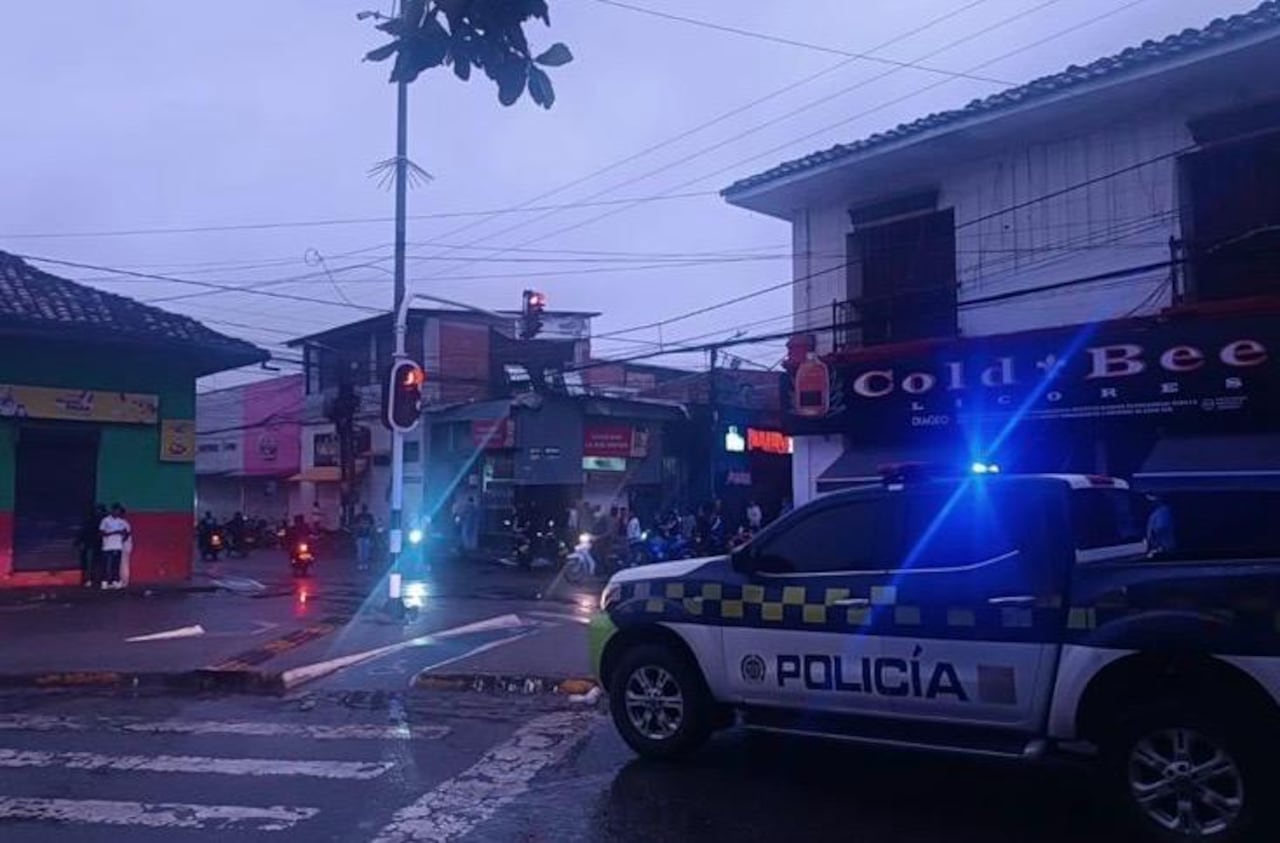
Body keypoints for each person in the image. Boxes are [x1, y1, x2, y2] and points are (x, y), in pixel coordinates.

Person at [98, 503, 131, 590]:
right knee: (105, 565)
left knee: (115, 565)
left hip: (117, 546)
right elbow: (101, 533)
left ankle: (115, 581)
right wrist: (113, 533)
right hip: (107, 546)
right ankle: (104, 582)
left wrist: (122, 538)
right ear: (112, 510)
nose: (117, 512)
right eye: (116, 510)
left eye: (119, 511)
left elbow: (126, 533)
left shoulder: (122, 522)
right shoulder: (105, 520)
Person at [76, 505, 105, 588]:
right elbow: (83, 532)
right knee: (89, 563)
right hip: (90, 545)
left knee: (97, 563)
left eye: (100, 511)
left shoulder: (104, 521)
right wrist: (79, 542)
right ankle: (88, 580)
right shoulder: (89, 521)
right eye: (97, 511)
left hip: (100, 545)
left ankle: (95, 580)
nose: (98, 513)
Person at [354, 504, 375, 571]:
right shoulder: (368, 516)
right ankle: (363, 564)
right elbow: (372, 527)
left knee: (363, 552)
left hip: (364, 536)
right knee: (363, 552)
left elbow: (356, 527)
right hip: (364, 536)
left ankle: (363, 564)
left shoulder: (360, 516)